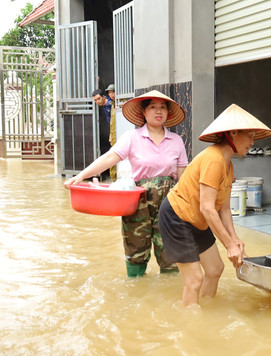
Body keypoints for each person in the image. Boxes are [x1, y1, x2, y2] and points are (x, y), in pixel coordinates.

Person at [64, 90, 189, 277]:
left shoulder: (176, 141)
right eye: (153, 107)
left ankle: (169, 292)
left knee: (170, 251)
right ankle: (136, 290)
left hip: (168, 205)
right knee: (136, 249)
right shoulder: (132, 137)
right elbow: (109, 159)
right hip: (138, 203)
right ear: (143, 113)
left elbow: (184, 177)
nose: (158, 111)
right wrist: (81, 176)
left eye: (163, 107)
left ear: (168, 113)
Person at [159, 104, 271, 306]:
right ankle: (189, 324)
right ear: (234, 132)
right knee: (194, 280)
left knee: (215, 269)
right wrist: (228, 245)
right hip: (177, 217)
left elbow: (224, 209)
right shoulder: (214, 159)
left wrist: (235, 240)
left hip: (198, 220)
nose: (252, 142)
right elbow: (207, 208)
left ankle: (205, 310)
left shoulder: (227, 164)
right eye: (250, 136)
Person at [92, 89, 113, 161]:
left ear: (103, 97)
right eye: (95, 100)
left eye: (99, 99)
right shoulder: (104, 103)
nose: (97, 101)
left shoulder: (110, 104)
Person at [105, 84, 117, 180]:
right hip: (113, 136)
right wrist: (110, 137)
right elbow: (112, 123)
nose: (111, 94)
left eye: (113, 92)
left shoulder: (119, 104)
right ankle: (114, 179)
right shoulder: (112, 105)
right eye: (109, 93)